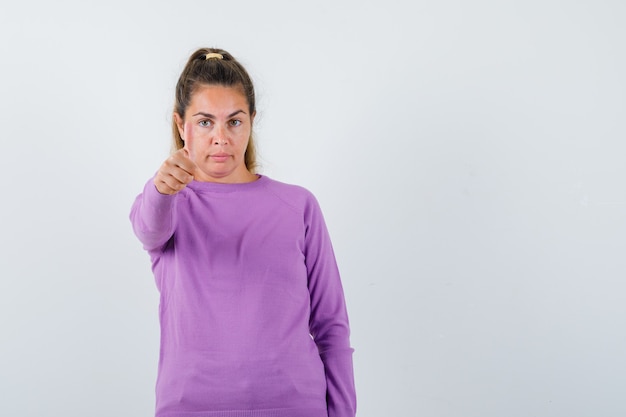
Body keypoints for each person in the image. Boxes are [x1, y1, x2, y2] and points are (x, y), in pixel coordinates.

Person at [129, 47, 356, 417]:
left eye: (234, 121)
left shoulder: (298, 206)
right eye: (204, 122)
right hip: (191, 407)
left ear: (251, 120)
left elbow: (331, 326)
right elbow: (147, 230)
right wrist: (161, 188)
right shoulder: (167, 203)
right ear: (180, 124)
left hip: (294, 405)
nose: (221, 137)